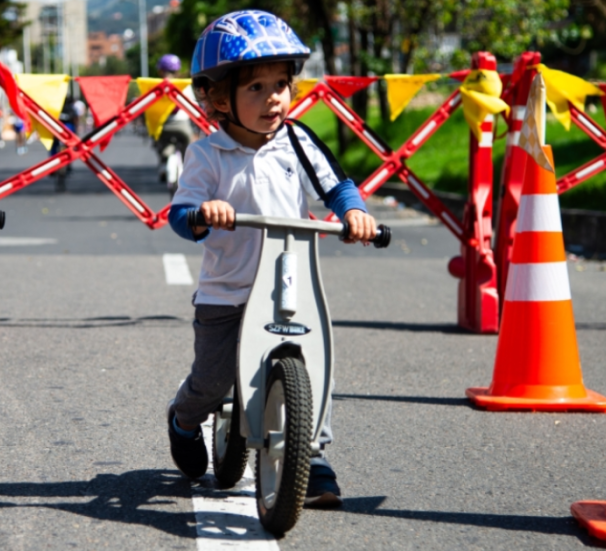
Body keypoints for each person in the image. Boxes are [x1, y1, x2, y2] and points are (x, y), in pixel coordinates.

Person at [164, 10, 379, 508]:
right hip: (229, 292)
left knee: (311, 364)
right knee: (212, 381)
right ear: (220, 99)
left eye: (281, 83)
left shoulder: (297, 141)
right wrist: (203, 213)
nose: (274, 98)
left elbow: (336, 186)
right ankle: (184, 417)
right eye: (256, 88)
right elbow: (179, 214)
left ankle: (313, 457)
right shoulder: (208, 154)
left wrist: (354, 213)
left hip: (291, 286)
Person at [154, 54, 196, 188]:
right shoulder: (184, 86)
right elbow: (194, 108)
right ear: (177, 71)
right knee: (188, 148)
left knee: (159, 142)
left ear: (161, 71)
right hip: (182, 126)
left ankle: (163, 162)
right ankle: (189, 173)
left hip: (163, 127)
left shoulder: (156, 86)